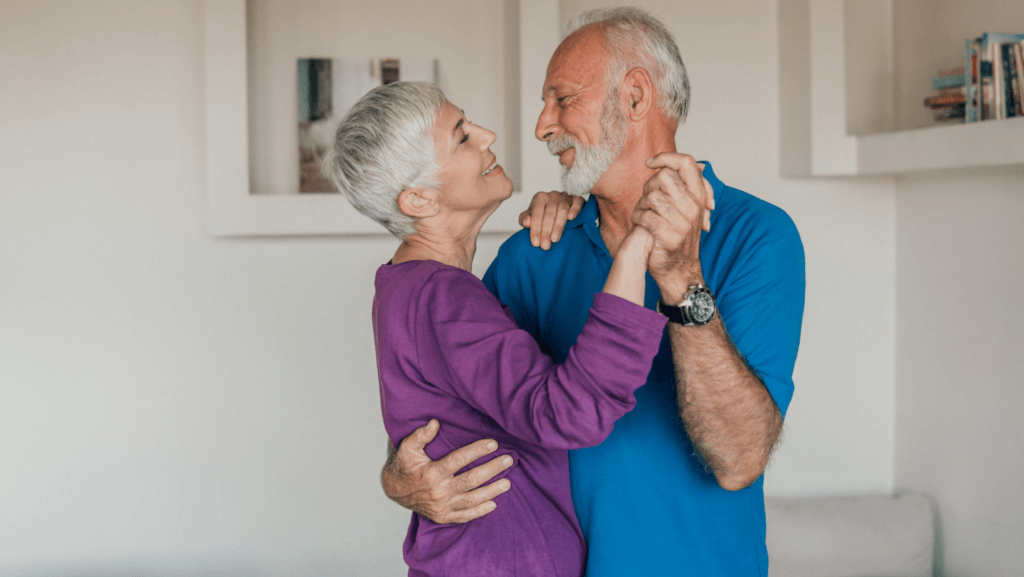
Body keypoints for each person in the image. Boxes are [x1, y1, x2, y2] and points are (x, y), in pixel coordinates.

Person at [381, 7, 806, 576]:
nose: (541, 126)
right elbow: (455, 402)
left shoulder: (758, 234)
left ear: (634, 97)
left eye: (561, 98)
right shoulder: (533, 252)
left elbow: (738, 461)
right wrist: (400, 477)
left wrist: (681, 278)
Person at [322, 80, 671, 576]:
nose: (487, 135)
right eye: (462, 136)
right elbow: (568, 413)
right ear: (418, 200)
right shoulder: (443, 298)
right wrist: (637, 244)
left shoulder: (406, 288)